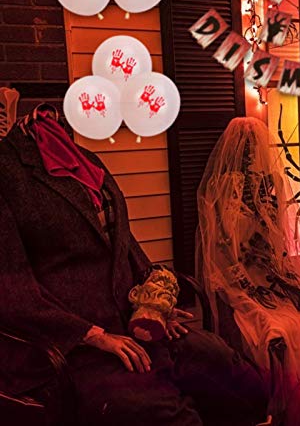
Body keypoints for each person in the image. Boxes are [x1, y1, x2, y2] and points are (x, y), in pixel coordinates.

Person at [0, 104, 268, 426]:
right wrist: (92, 335)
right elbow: (12, 292)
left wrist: (154, 305)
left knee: (230, 371)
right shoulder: (9, 176)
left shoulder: (86, 161)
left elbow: (123, 241)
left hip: (130, 319)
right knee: (162, 411)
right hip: (73, 346)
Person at [196, 117, 300, 416]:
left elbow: (278, 238)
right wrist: (243, 279)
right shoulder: (223, 189)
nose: (250, 153)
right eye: (245, 147)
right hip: (241, 276)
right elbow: (222, 245)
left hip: (269, 272)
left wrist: (278, 266)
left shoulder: (271, 184)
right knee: (273, 328)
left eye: (254, 146)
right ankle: (280, 403)